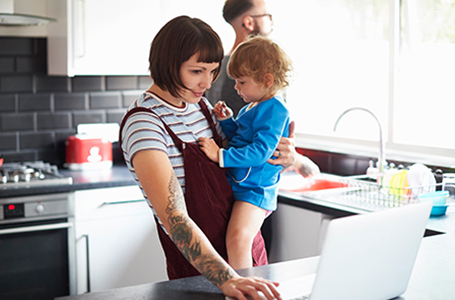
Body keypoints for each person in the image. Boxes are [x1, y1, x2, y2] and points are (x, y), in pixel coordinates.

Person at [119, 16, 282, 300]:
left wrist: (285, 155)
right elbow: (175, 219)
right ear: (168, 64)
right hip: (202, 279)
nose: (206, 83)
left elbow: (245, 156)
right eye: (196, 71)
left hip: (248, 261)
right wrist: (228, 279)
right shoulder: (145, 124)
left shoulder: (202, 107)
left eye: (213, 71)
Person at [199, 36, 292, 269]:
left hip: (255, 190)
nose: (236, 88)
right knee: (235, 239)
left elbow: (261, 151)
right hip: (244, 186)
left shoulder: (275, 108)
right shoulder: (254, 105)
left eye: (241, 82)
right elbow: (241, 138)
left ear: (267, 79)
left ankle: (242, 290)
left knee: (239, 238)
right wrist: (227, 120)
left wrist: (220, 155)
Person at [205, 0, 320, 178]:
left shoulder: (213, 70)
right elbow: (255, 141)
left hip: (229, 174)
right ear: (249, 22)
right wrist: (296, 160)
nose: (272, 23)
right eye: (267, 16)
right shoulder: (255, 79)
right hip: (251, 178)